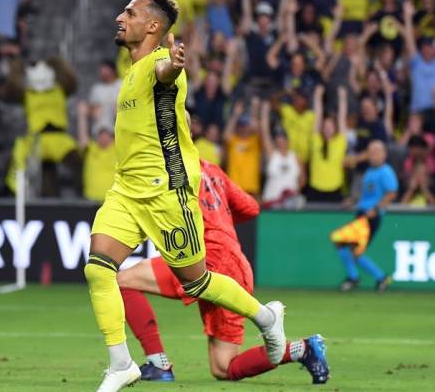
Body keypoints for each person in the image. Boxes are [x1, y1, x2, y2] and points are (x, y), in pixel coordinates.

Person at [87, 0, 286, 392]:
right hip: (126, 190)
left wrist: (175, 65)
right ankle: (121, 363)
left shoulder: (159, 61)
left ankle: (265, 317)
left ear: (153, 26)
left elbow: (166, 75)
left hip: (167, 191)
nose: (120, 17)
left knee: (196, 282)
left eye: (131, 12)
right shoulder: (132, 68)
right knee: (98, 268)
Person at [118, 158, 329, 384]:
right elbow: (251, 207)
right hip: (237, 264)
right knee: (223, 367)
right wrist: (221, 220)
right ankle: (302, 349)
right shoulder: (211, 169)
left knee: (124, 281)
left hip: (205, 257)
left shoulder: (168, 166)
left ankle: (158, 364)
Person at [336, 140, 396, 293]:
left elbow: (391, 193)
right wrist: (353, 200)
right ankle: (377, 277)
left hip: (371, 216)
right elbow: (365, 194)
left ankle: (359, 278)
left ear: (384, 154)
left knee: (347, 245)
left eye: (376, 152)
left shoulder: (386, 171)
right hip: (362, 214)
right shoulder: (369, 171)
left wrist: (376, 208)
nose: (372, 155)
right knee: (346, 246)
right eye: (370, 152)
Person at [308, 86, 349, 203]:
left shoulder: (340, 142)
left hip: (335, 189)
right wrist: (317, 97)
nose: (327, 129)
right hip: (315, 188)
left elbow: (342, 117)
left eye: (330, 126)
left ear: (335, 128)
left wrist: (342, 98)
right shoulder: (316, 140)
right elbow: (317, 116)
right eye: (325, 126)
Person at [260, 100, 302, 207]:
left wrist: (295, 191)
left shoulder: (295, 156)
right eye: (278, 138)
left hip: (290, 203)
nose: (281, 141)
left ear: (287, 140)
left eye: (283, 138)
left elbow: (303, 178)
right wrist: (265, 112)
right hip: (271, 200)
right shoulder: (273, 155)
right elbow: (265, 133)